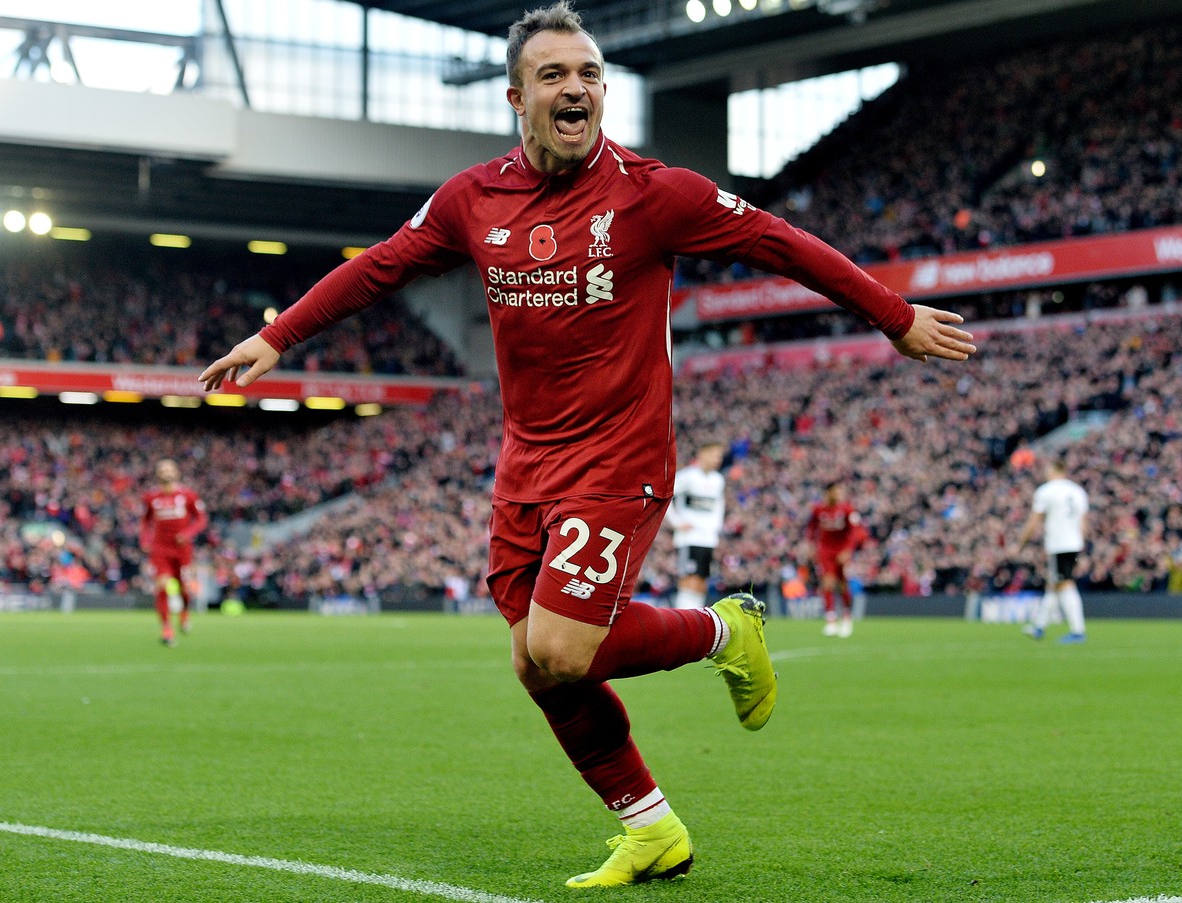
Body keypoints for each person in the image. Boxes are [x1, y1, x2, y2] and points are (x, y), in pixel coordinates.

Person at [198, 3, 975, 888]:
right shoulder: (470, 199)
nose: (577, 89)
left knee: (563, 649)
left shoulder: (656, 194)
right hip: (526, 459)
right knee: (535, 664)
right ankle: (652, 829)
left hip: (621, 453)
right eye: (555, 76)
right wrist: (279, 337)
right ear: (516, 98)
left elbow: (780, 243)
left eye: (590, 74)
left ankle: (725, 630)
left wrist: (897, 315)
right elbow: (380, 264)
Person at [1015, 458, 1089, 644]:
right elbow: (1084, 522)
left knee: (1064, 584)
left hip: (1059, 543)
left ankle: (1077, 631)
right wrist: (1082, 545)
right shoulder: (1077, 491)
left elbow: (1034, 521)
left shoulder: (1046, 491)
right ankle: (1039, 626)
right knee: (1055, 584)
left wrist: (1020, 543)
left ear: (1055, 469)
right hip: (1074, 543)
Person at [139, 458, 208, 647]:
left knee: (184, 588)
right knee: (161, 587)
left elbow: (201, 519)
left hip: (182, 550)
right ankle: (166, 629)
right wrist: (145, 540)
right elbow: (145, 521)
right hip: (160, 549)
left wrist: (187, 533)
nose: (166, 472)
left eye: (169, 469)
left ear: (176, 472)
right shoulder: (151, 497)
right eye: (162, 469)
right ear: (157, 474)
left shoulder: (188, 495)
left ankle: (184, 612)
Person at [667, 442, 726, 610]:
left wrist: (716, 529)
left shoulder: (718, 480)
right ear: (702, 454)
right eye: (714, 455)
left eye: (719, 456)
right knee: (689, 579)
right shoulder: (688, 476)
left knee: (701, 580)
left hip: (708, 539)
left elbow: (719, 506)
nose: (717, 460)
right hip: (689, 538)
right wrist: (677, 523)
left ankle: (695, 618)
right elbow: (666, 496)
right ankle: (682, 620)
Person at [806, 481, 867, 637]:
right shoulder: (819, 510)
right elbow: (811, 529)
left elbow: (856, 532)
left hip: (842, 550)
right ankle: (831, 619)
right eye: (836, 491)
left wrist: (848, 550)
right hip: (826, 551)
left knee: (843, 584)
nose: (839, 494)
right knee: (827, 583)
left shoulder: (847, 509)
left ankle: (846, 617)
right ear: (829, 493)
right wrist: (811, 546)